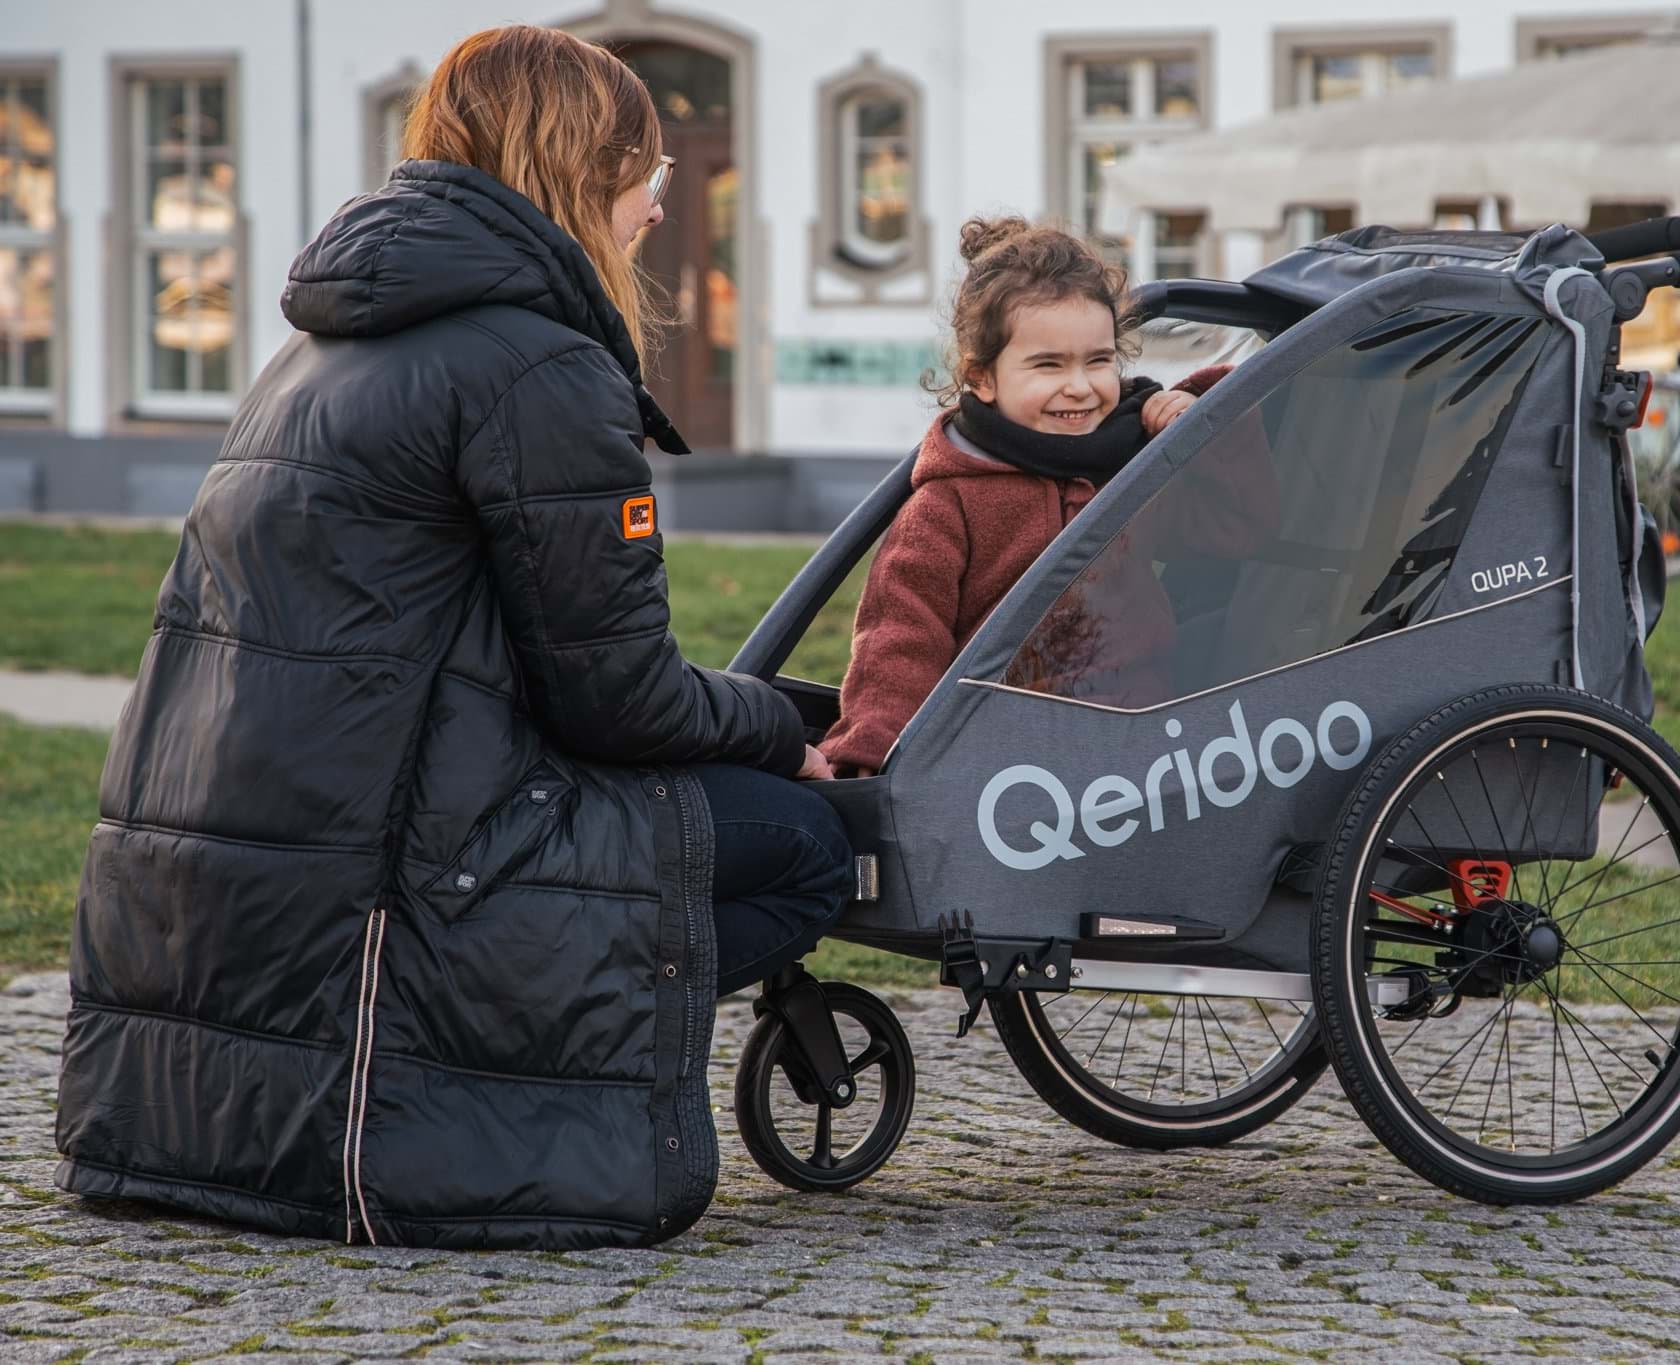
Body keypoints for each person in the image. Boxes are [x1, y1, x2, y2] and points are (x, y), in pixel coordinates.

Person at [53, 25, 847, 1250]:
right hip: (392, 859)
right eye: (645, 172)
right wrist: (786, 729)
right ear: (582, 169)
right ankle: (507, 1079)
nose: (656, 206)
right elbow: (617, 699)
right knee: (804, 844)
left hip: (225, 868)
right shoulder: (540, 368)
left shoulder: (316, 349)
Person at [822, 217, 1255, 776]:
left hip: (1143, 741)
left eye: (1098, 360)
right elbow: (900, 641)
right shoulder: (947, 506)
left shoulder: (1130, 464)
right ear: (982, 378)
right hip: (1008, 763)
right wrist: (877, 754)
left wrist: (1204, 426)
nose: (1079, 386)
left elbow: (1234, 529)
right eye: (1048, 365)